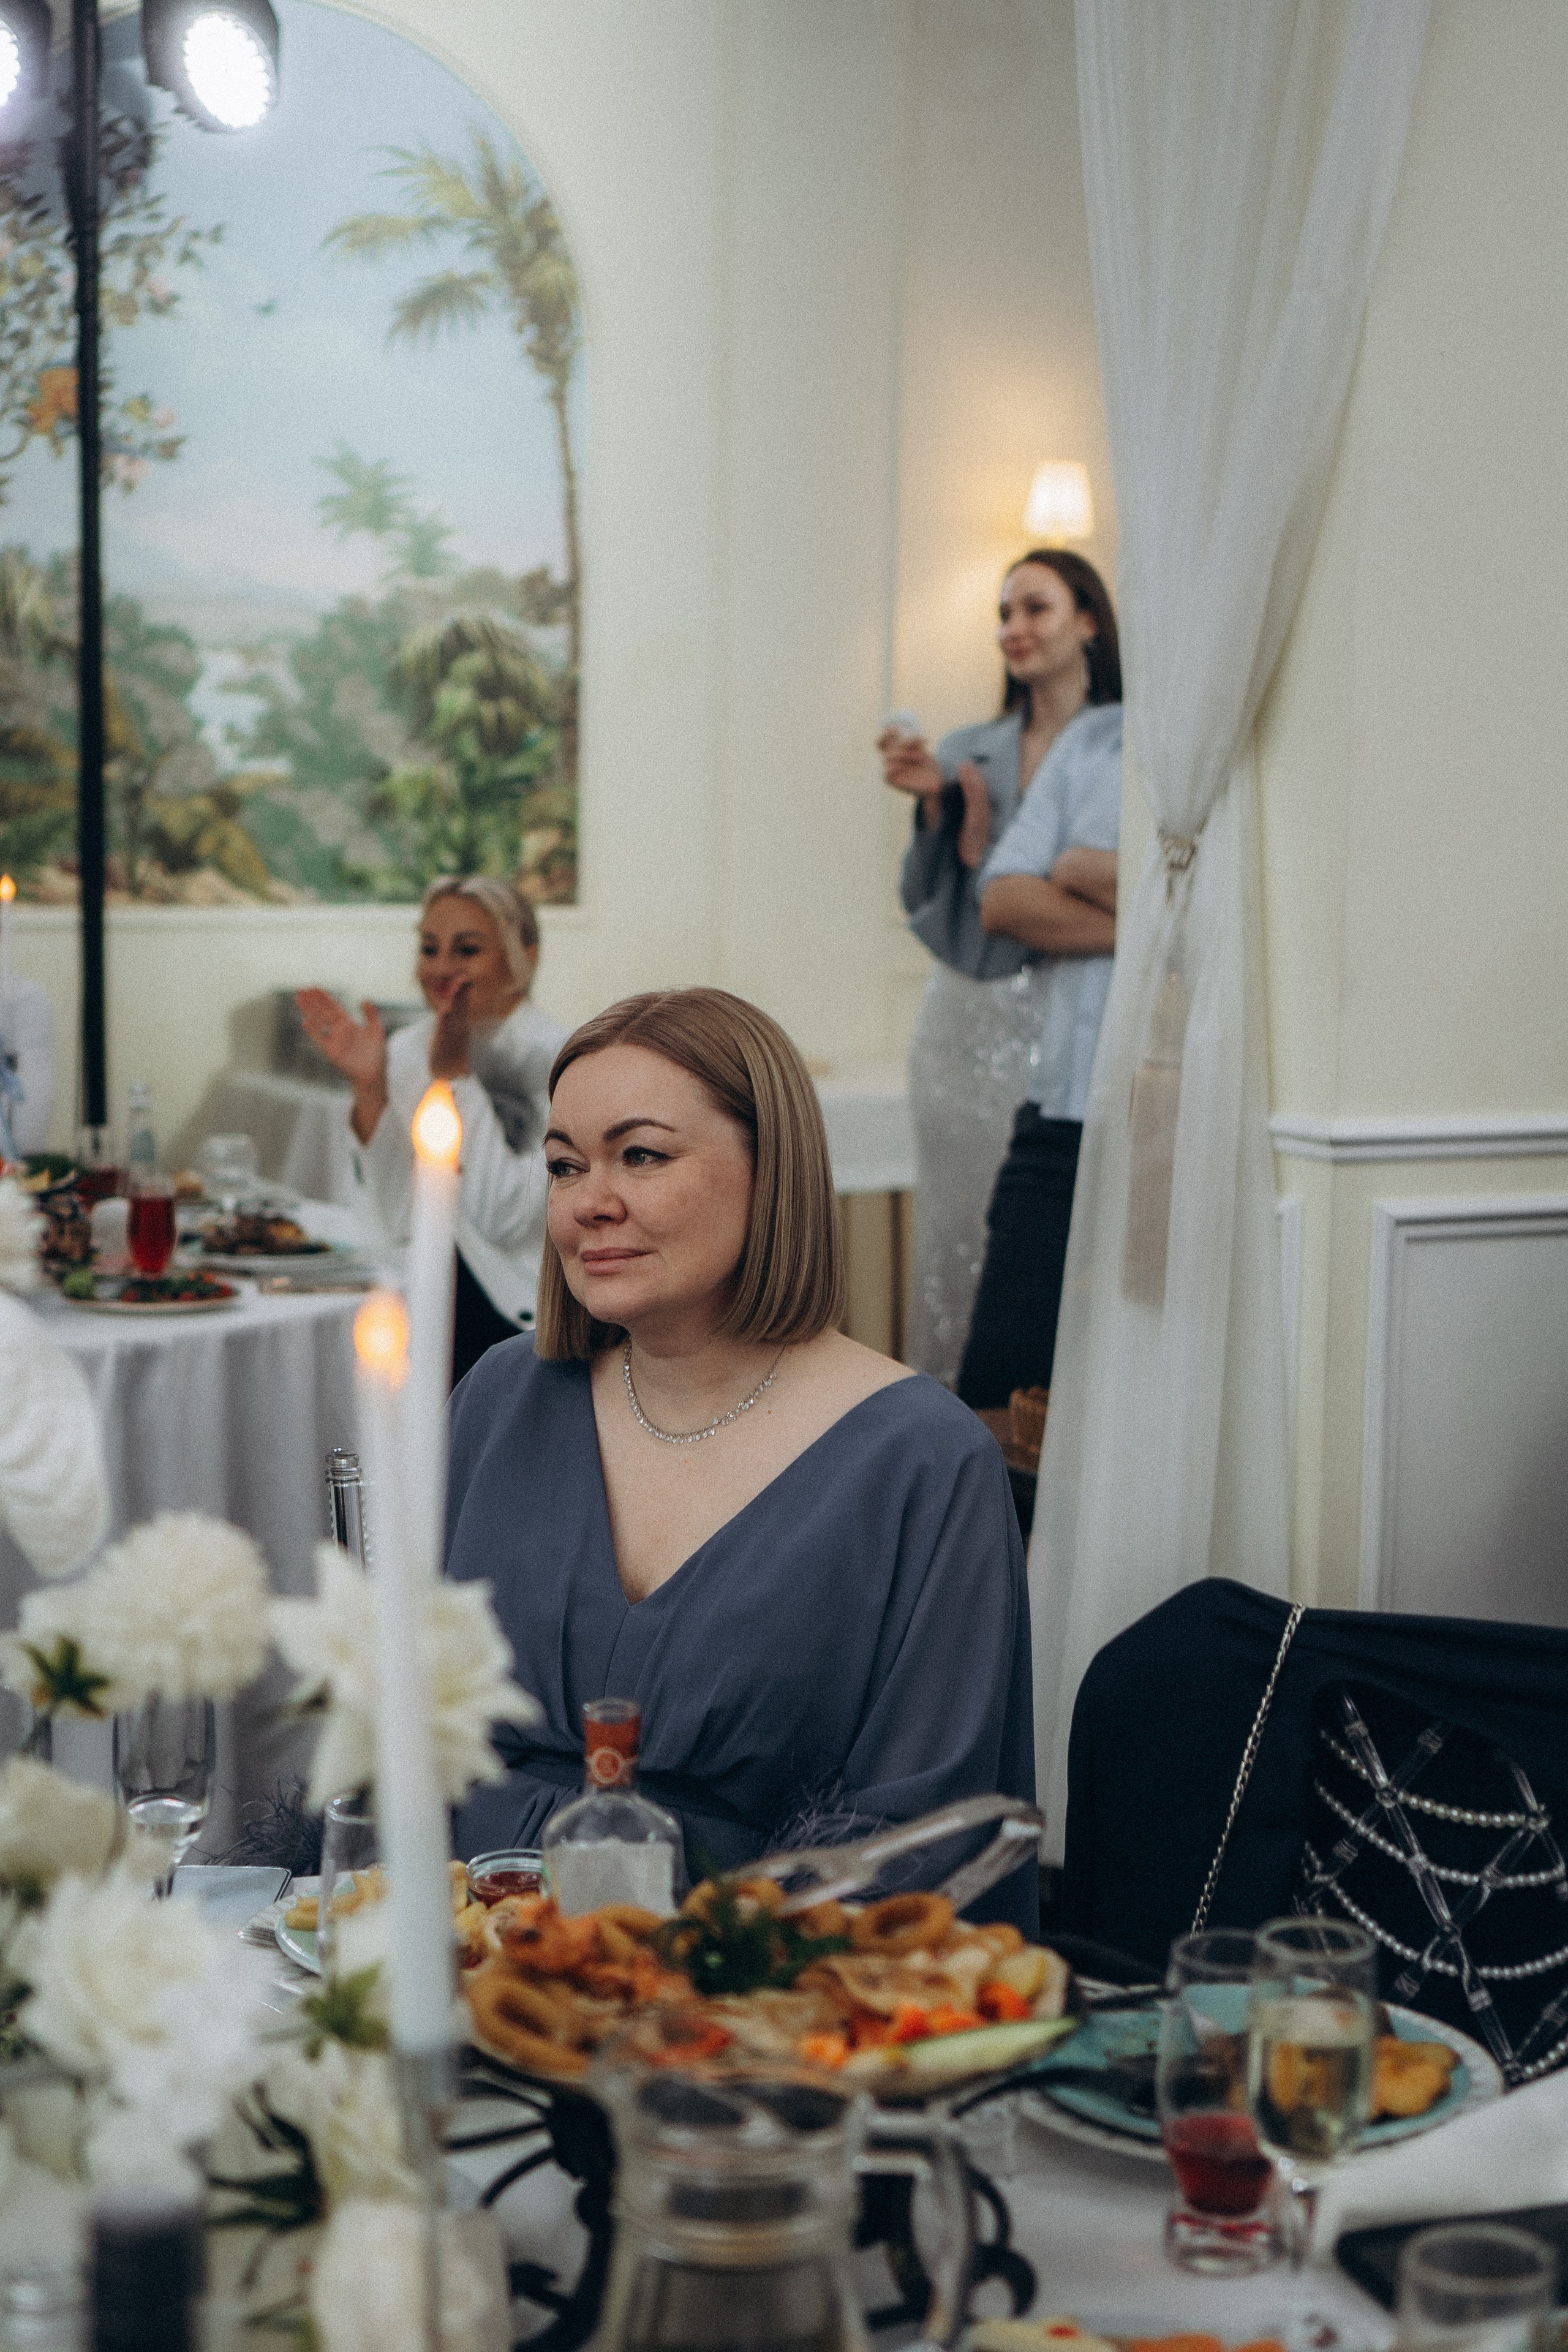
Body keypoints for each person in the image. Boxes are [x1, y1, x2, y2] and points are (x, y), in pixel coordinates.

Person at [443, 987, 1038, 1932]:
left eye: (641, 1155)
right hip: (460, 1959)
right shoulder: (502, 1399)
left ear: (773, 1170)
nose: (591, 1203)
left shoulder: (923, 1461)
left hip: (756, 2003)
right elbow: (394, 1730)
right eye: (564, 1166)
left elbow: (925, 1843)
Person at [883, 549, 1121, 1390]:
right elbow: (947, 905)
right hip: (969, 1013)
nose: (1013, 629)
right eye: (1005, 613)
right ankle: (951, 1417)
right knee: (963, 1236)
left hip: (1069, 1023)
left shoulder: (1127, 739)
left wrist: (1053, 892)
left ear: (1088, 619)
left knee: (1057, 1256)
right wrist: (936, 814)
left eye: (1036, 609)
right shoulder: (969, 749)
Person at [295, 876, 567, 1387]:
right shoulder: (404, 1049)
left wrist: (455, 1076)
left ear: (524, 956)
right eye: (429, 948)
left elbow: (504, 1216)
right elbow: (397, 1215)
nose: (441, 968)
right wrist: (370, 1088)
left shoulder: (561, 1060)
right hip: (422, 1298)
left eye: (467, 949)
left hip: (516, 1317)